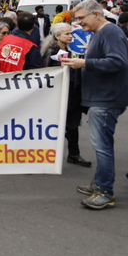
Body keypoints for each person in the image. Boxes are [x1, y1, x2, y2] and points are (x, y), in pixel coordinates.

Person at [62, 0, 128, 210]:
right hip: (102, 97)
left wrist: (84, 63)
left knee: (102, 147)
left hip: (107, 99)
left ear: (97, 15)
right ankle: (100, 184)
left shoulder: (109, 32)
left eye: (81, 18)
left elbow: (118, 61)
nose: (79, 23)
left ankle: (105, 190)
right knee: (101, 145)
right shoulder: (100, 33)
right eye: (76, 19)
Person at [41, 23, 91, 168]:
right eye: (67, 34)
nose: (70, 36)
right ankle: (44, 155)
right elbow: (47, 74)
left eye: (70, 33)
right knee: (56, 125)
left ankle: (73, 154)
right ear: (57, 36)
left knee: (73, 124)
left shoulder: (70, 50)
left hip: (73, 92)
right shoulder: (51, 52)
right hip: (60, 93)